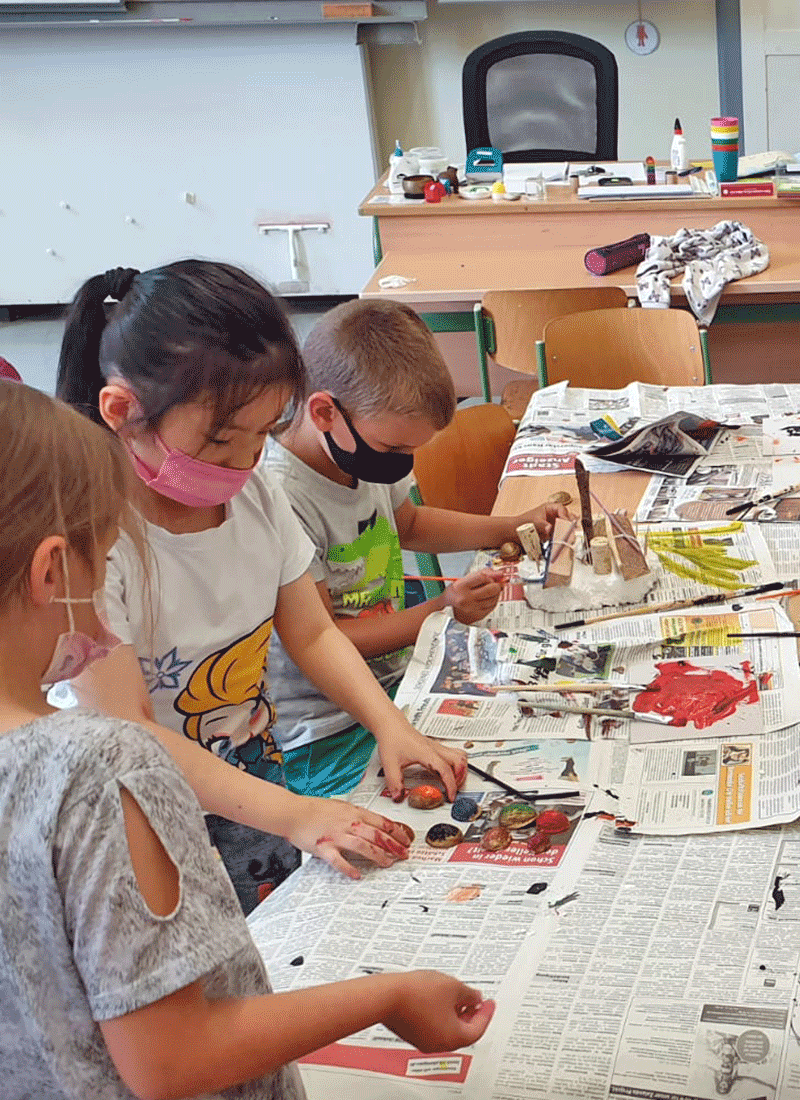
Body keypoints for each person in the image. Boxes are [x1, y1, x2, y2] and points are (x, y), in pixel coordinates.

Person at [0, 378, 495, 1100]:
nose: (108, 635)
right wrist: (389, 998)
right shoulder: (102, 767)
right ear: (51, 570)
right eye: (104, 565)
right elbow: (172, 1060)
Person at [57, 262, 466, 913]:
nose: (248, 462)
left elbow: (310, 631)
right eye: (221, 442)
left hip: (250, 779)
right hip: (140, 813)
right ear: (122, 411)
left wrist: (390, 725)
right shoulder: (91, 549)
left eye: (262, 432)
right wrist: (299, 816)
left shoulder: (257, 493)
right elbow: (128, 734)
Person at [266, 298, 567, 797]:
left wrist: (509, 527)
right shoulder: (281, 497)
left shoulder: (357, 451)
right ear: (324, 411)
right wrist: (440, 609)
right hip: (322, 728)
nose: (403, 466)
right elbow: (325, 640)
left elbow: (409, 523)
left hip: (396, 682)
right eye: (393, 451)